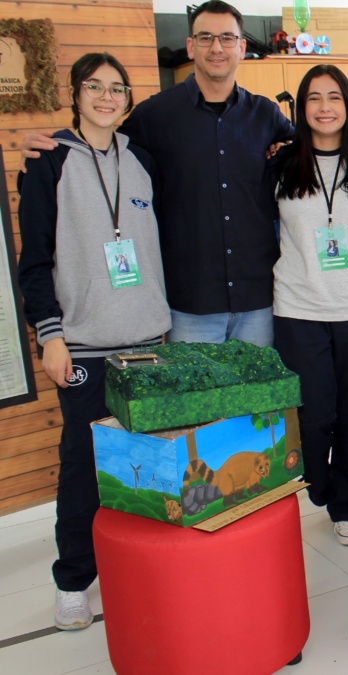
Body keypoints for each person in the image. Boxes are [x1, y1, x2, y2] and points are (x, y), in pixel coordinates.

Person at [23, 1, 293, 347]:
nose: (217, 48)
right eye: (206, 37)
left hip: (259, 301)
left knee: (262, 401)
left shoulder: (266, 115)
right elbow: (99, 144)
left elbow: (315, 146)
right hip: (188, 304)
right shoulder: (154, 116)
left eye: (227, 38)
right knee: (194, 403)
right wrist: (51, 147)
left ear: (241, 47)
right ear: (191, 46)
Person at [17, 53, 171, 629]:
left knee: (147, 466)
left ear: (127, 97)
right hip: (82, 345)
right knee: (83, 466)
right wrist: (50, 336)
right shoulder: (48, 160)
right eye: (94, 87)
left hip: (149, 342)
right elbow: (34, 259)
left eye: (116, 88)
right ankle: (74, 580)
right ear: (75, 94)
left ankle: (144, 569)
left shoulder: (142, 160)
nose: (106, 97)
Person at [271, 65, 348, 546]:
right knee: (314, 414)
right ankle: (320, 483)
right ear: (301, 108)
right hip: (298, 307)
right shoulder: (280, 163)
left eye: (334, 97)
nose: (324, 107)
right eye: (313, 98)